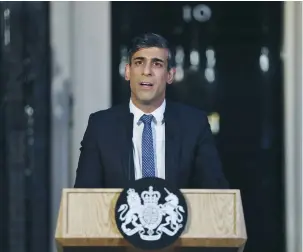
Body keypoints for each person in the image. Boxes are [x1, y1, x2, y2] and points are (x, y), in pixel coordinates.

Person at [74, 33, 229, 189]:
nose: (146, 71)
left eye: (157, 64)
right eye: (139, 62)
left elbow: (216, 193)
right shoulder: (101, 126)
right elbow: (84, 197)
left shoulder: (194, 125)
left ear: (170, 75)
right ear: (128, 72)